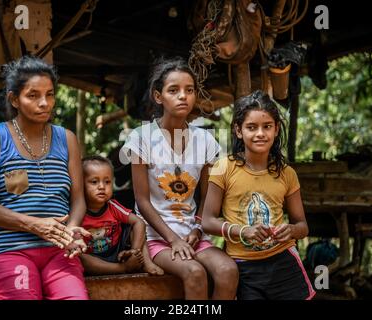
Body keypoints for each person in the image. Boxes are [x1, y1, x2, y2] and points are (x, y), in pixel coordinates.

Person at [0, 55, 91, 300]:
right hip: (7, 250)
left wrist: (71, 232)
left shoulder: (66, 139)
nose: (44, 103)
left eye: (49, 94)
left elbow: (77, 200)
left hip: (58, 251)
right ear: (14, 99)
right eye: (33, 95)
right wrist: (36, 225)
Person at [121, 57, 239, 300]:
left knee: (228, 270)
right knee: (195, 272)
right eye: (173, 90)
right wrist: (173, 240)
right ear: (158, 96)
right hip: (155, 236)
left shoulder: (206, 141)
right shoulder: (141, 138)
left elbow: (208, 197)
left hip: (193, 233)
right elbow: (142, 201)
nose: (183, 96)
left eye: (189, 90)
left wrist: (197, 229)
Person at [202, 90, 316, 300]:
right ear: (238, 130)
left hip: (283, 261)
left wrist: (290, 230)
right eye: (251, 127)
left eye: (267, 127)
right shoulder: (223, 168)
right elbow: (207, 221)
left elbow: (303, 227)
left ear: (276, 129)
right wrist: (243, 231)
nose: (260, 134)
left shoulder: (287, 173)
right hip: (243, 266)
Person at [79, 155, 164, 276]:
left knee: (133, 229)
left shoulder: (113, 206)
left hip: (118, 253)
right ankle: (121, 268)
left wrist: (134, 251)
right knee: (79, 256)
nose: (102, 187)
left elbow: (138, 222)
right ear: (80, 185)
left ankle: (145, 262)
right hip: (93, 258)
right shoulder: (77, 212)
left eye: (107, 182)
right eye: (94, 182)